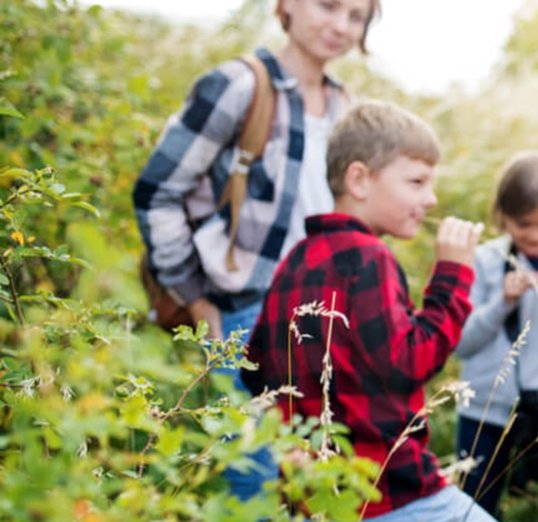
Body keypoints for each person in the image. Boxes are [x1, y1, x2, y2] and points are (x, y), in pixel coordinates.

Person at [242, 101, 538, 522]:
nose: (429, 199)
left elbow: (253, 371)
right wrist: (452, 275)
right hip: (390, 489)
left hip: (314, 497)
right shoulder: (370, 258)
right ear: (359, 179)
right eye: (416, 181)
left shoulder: (297, 258)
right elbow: (411, 361)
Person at [135, 0, 380, 344]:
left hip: (318, 315)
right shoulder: (240, 85)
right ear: (289, 5)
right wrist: (194, 298)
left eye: (356, 17)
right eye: (327, 6)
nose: (341, 26)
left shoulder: (344, 106)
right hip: (245, 311)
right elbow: (157, 193)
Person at [454, 151, 538, 517]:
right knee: (474, 510)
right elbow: (462, 344)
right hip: (484, 412)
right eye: (524, 224)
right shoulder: (484, 261)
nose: (536, 236)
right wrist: (501, 303)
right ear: (503, 218)